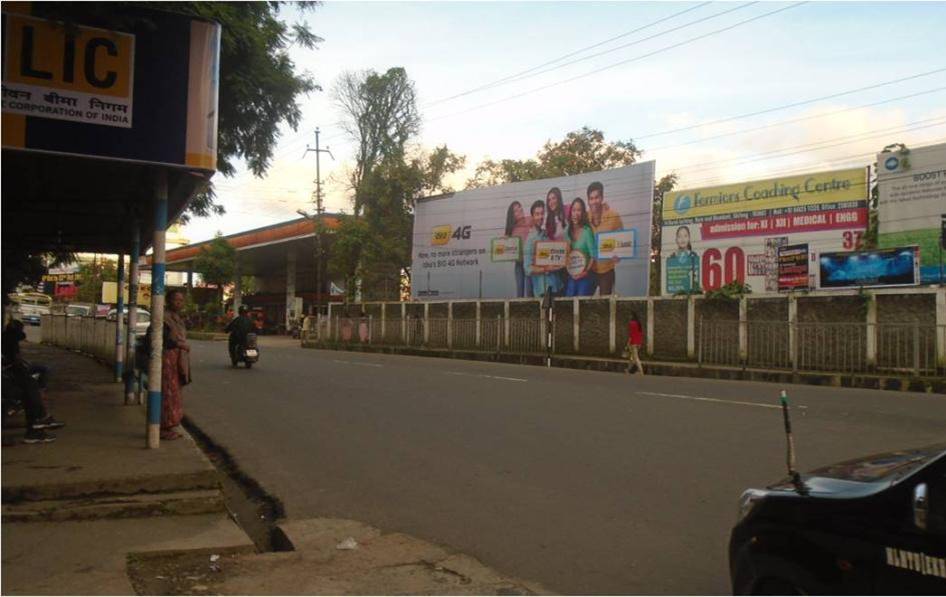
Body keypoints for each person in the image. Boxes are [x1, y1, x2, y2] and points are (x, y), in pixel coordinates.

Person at [2, 319, 64, 443]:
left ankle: (38, 423)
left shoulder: (7, 339)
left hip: (9, 376)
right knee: (29, 390)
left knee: (30, 389)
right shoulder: (9, 340)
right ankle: (38, 422)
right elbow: (14, 362)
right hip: (8, 378)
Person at [160, 289, 191, 440]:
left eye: (181, 300)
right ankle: (164, 426)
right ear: (168, 301)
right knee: (168, 393)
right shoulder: (164, 318)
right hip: (168, 360)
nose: (179, 303)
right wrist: (179, 344)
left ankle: (171, 424)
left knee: (175, 393)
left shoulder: (177, 318)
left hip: (177, 360)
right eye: (176, 300)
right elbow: (163, 339)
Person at [587, 181, 623, 296]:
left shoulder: (613, 216)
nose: (594, 201)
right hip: (589, 268)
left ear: (602, 198)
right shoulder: (585, 217)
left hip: (607, 270)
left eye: (596, 197)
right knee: (584, 302)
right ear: (588, 201)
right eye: (591, 198)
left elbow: (622, 239)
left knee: (605, 303)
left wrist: (619, 254)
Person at [523, 200, 564, 298]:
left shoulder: (546, 235)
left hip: (557, 286)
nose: (540, 217)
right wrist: (546, 269)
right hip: (543, 289)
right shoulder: (530, 240)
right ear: (532, 217)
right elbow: (527, 268)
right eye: (537, 214)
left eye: (542, 213)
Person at [565, 197, 597, 297]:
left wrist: (585, 272)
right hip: (572, 275)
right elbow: (565, 254)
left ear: (583, 213)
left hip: (585, 277)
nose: (576, 213)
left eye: (579, 210)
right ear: (571, 212)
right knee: (569, 301)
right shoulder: (567, 231)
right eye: (574, 210)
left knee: (581, 301)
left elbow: (593, 256)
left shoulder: (587, 231)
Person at [505, 201, 533, 298]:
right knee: (519, 291)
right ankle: (519, 306)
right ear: (513, 215)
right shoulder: (511, 229)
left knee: (530, 291)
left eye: (519, 207)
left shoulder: (530, 220)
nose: (519, 210)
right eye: (515, 210)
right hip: (519, 263)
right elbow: (505, 248)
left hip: (529, 262)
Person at [665, 225, 700, 293]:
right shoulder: (672, 257)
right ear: (676, 239)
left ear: (689, 238)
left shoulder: (693, 256)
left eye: (685, 236)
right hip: (676, 292)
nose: (682, 239)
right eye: (679, 236)